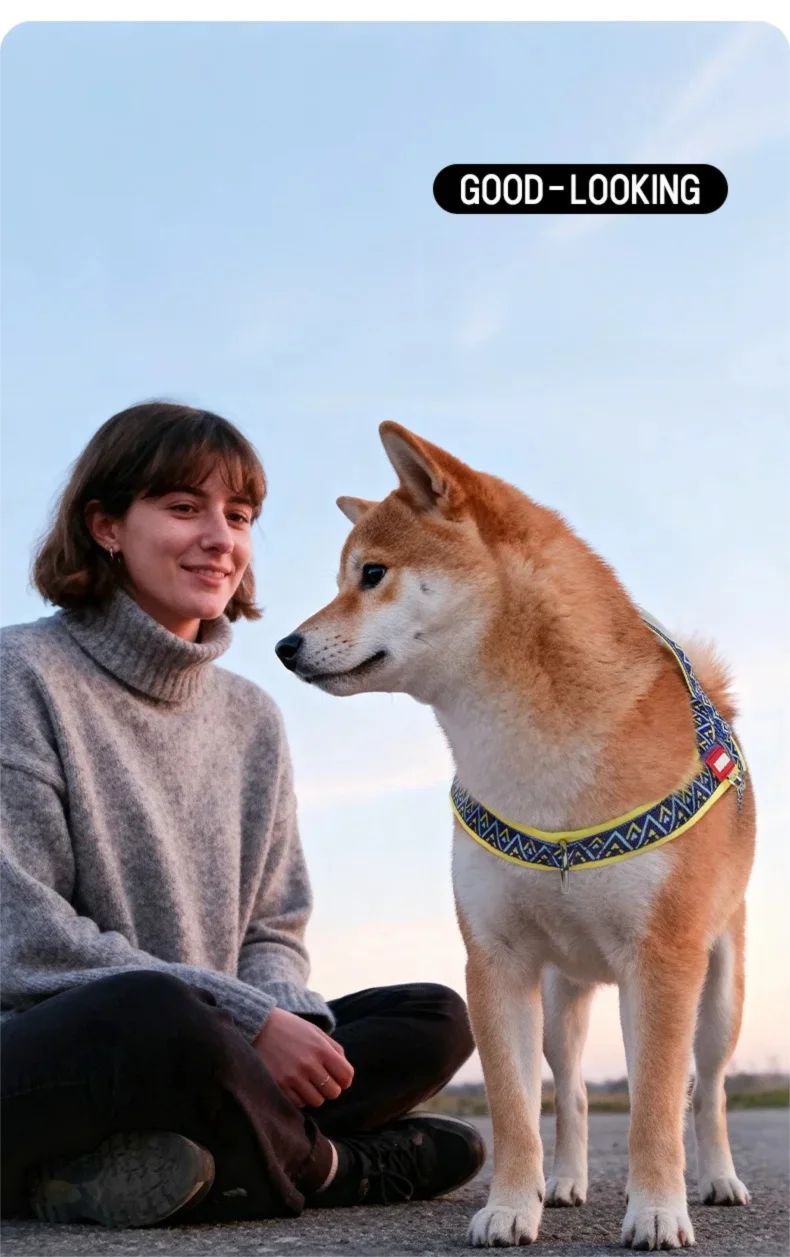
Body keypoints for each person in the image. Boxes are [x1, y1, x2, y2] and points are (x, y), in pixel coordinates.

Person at [0, 401, 483, 1229]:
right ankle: (332, 1166)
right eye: (184, 507)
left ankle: (161, 1167)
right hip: (64, 1046)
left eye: (240, 515)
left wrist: (279, 1014)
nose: (219, 537)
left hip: (208, 1045)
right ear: (106, 526)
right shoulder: (20, 674)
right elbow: (26, 942)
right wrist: (250, 1023)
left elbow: (272, 924)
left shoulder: (252, 716)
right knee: (153, 1012)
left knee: (435, 1017)